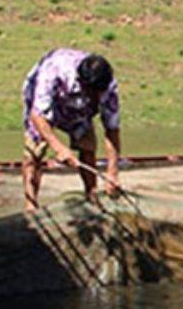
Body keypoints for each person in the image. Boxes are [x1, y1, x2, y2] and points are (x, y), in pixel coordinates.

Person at [22, 48, 121, 211]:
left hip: (79, 109)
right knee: (34, 151)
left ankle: (91, 196)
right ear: (82, 83)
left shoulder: (107, 86)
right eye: (93, 93)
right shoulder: (54, 70)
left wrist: (113, 172)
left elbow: (112, 129)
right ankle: (31, 205)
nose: (98, 97)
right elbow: (37, 115)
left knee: (88, 147)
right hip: (49, 102)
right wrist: (59, 148)